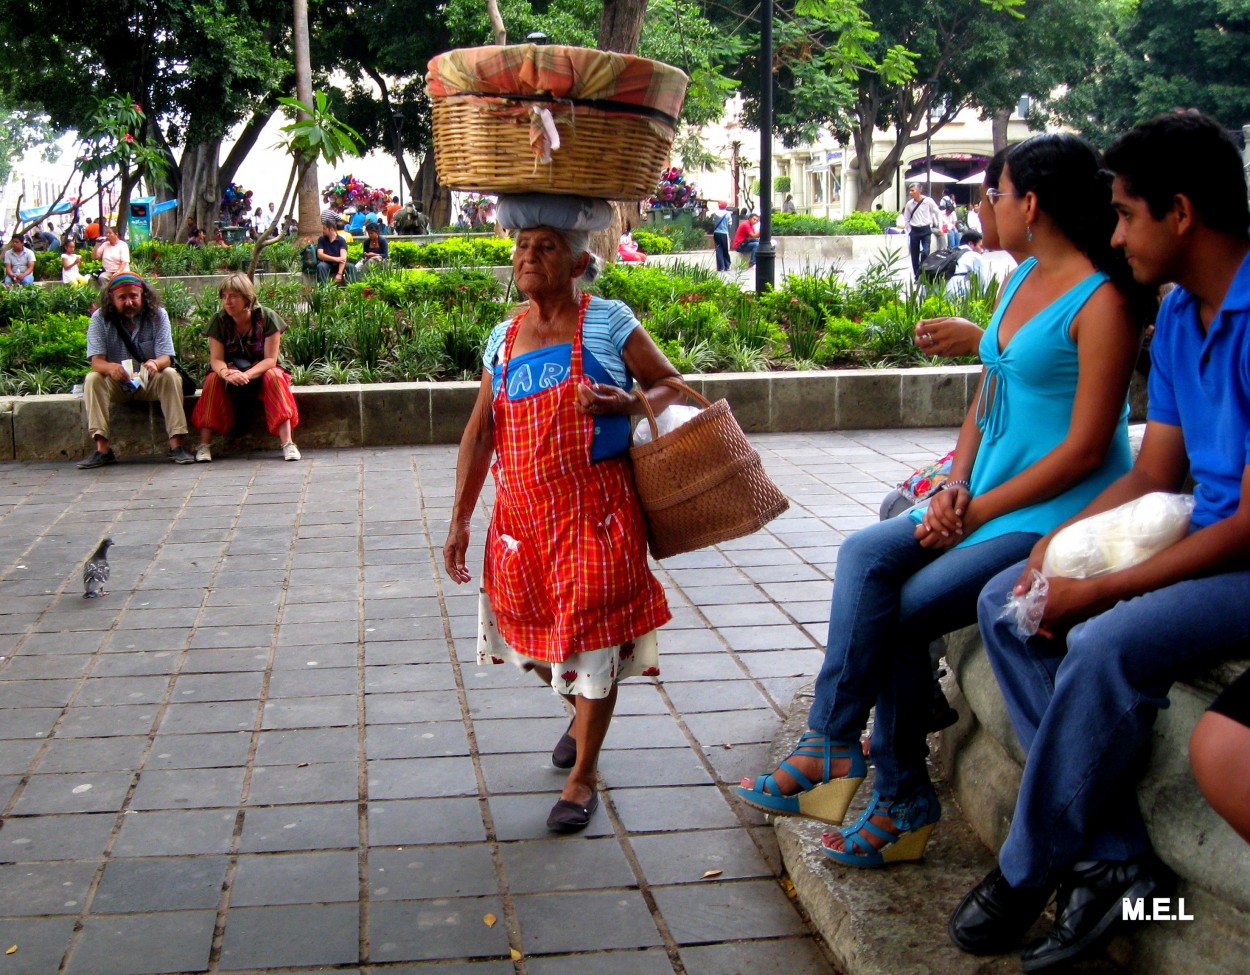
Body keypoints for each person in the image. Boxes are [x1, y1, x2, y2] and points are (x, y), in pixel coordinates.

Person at [736, 133, 1146, 874]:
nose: (985, 204)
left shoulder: (1103, 298)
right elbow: (984, 399)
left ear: (1032, 203)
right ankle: (835, 745)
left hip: (1054, 511)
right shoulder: (1022, 279)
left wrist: (980, 510)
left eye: (995, 192)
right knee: (865, 552)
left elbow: (1088, 450)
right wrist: (956, 484)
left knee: (893, 612)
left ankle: (896, 795)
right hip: (986, 496)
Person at [950, 112, 1250, 972]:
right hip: (1201, 526)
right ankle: (1115, 853)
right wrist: (1058, 543)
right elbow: (1155, 471)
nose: (1115, 233)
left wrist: (1106, 588)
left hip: (1242, 555)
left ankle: (1028, 865)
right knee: (1008, 605)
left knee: (1105, 641)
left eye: (1125, 214)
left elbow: (1244, 526)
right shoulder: (1184, 319)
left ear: (1181, 212)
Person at [442, 196, 683, 834]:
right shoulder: (502, 337)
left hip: (597, 516)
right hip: (523, 524)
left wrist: (630, 404)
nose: (527, 256)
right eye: (522, 247)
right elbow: (480, 431)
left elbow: (672, 386)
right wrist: (461, 518)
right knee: (550, 643)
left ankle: (583, 778)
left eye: (544, 246)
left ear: (578, 262)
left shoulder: (608, 323)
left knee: (594, 640)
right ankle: (579, 719)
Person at [77, 273, 194, 468]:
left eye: (133, 296)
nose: (129, 302)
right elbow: (96, 362)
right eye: (122, 298)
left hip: (148, 380)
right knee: (92, 379)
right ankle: (102, 449)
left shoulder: (158, 315)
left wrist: (156, 364)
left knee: (170, 375)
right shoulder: (99, 319)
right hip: (117, 384)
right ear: (112, 299)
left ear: (143, 295)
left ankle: (176, 446)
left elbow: (167, 357)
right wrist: (110, 367)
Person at [190, 273, 300, 463]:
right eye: (224, 297)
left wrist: (246, 375)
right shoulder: (219, 321)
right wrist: (226, 373)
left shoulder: (266, 317)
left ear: (246, 298)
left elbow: (270, 360)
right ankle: (204, 444)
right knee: (212, 379)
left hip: (261, 370)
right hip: (230, 373)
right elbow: (216, 359)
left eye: (233, 296)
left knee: (275, 376)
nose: (227, 301)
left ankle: (288, 443)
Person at [903, 183, 942, 276]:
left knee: (925, 251)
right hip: (914, 231)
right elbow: (906, 218)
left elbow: (938, 212)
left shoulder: (928, 201)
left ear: (919, 191)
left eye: (913, 190)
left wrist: (940, 226)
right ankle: (917, 275)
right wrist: (909, 231)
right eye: (910, 191)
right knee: (914, 255)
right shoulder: (909, 204)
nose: (910, 193)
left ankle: (923, 271)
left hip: (925, 230)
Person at [947, 229, 987, 295]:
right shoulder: (974, 255)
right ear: (971, 244)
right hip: (955, 297)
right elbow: (983, 283)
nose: (982, 251)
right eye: (981, 246)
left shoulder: (951, 252)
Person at [315, 220, 349, 284]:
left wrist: (339, 273)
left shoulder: (341, 240)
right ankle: (324, 289)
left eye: (324, 229)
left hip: (339, 265)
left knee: (351, 267)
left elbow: (343, 258)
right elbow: (320, 255)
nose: (323, 231)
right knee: (321, 266)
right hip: (326, 263)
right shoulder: (322, 239)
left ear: (331, 229)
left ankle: (353, 289)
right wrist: (335, 259)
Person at [711, 201, 732, 272]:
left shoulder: (715, 213)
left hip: (716, 233)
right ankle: (727, 265)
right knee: (725, 250)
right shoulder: (728, 214)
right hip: (724, 233)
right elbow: (730, 224)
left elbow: (713, 222)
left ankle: (721, 267)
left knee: (718, 249)